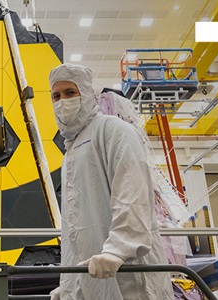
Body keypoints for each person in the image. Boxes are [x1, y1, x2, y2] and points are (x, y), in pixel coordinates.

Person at [48, 64, 174, 300]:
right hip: (96, 277)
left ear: (85, 94)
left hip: (129, 272)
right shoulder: (71, 152)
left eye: (69, 93)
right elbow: (74, 231)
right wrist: (68, 286)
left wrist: (118, 250)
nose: (62, 101)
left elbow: (132, 195)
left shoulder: (114, 130)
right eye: (56, 96)